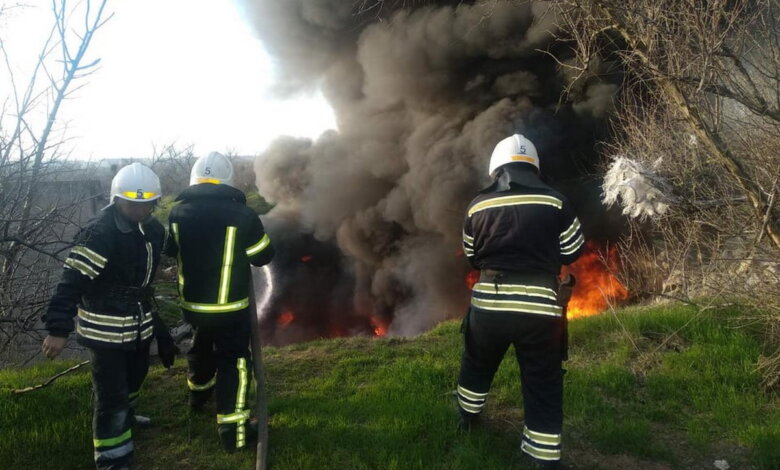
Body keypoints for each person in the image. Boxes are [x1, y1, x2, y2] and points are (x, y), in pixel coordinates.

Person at [456, 134, 585, 469]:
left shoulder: (477, 205)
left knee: (477, 364)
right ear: (535, 166)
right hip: (539, 310)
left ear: (496, 167)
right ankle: (543, 457)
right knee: (543, 380)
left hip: (489, 306)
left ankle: (467, 417)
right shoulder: (556, 201)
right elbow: (573, 250)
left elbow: (472, 256)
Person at [42, 162, 177, 470]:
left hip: (138, 326)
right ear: (117, 199)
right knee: (111, 397)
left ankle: (125, 422)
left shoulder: (154, 229)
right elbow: (72, 282)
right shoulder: (99, 233)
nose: (141, 210)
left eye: (147, 204)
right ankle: (113, 459)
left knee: (135, 379)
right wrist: (58, 329)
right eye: (133, 203)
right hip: (104, 332)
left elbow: (150, 269)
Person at [165, 151, 274, 451]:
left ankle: (198, 395)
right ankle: (234, 432)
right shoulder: (242, 215)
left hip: (194, 306)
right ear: (228, 181)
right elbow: (263, 255)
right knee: (234, 362)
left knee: (200, 348)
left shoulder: (177, 213)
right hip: (230, 307)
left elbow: (170, 250)